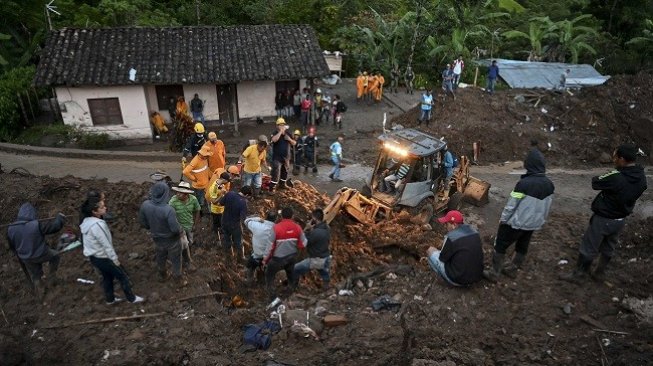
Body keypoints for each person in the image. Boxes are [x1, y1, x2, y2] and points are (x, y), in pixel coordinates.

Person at [561, 144, 647, 283]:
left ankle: (580, 274)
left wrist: (614, 174)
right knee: (609, 247)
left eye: (615, 157)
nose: (614, 159)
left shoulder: (616, 176)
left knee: (589, 246)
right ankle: (599, 272)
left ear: (622, 159)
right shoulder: (641, 177)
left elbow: (596, 182)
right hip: (620, 219)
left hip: (604, 218)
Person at [483, 145, 555, 282]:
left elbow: (511, 205)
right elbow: (547, 206)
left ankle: (494, 273)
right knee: (522, 245)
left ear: (529, 165)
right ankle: (513, 268)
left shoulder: (523, 184)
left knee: (500, 245)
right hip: (533, 224)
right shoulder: (550, 185)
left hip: (516, 223)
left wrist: (503, 220)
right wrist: (540, 221)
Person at [81, 198, 144, 304]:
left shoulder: (86, 223)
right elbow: (106, 244)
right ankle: (131, 298)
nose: (105, 208)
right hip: (104, 257)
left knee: (107, 277)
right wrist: (115, 260)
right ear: (94, 212)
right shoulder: (98, 226)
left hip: (94, 257)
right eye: (101, 207)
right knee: (122, 276)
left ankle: (110, 299)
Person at [7, 203, 65, 299]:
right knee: (55, 256)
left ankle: (40, 293)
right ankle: (52, 277)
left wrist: (19, 254)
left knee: (36, 275)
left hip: (26, 258)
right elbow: (54, 227)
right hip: (41, 253)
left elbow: (12, 246)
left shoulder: (11, 229)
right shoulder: (36, 225)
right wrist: (60, 218)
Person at [139, 182, 186, 286]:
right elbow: (175, 229)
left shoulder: (145, 205)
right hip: (172, 240)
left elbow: (143, 223)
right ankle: (178, 279)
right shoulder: (168, 210)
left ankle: (162, 275)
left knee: (160, 256)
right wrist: (181, 230)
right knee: (176, 259)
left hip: (157, 238)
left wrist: (153, 228)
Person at [426, 210, 483, 286]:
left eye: (447, 224)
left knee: (430, 250)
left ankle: (442, 277)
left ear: (454, 225)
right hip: (476, 277)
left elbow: (442, 259)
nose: (445, 226)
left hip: (458, 280)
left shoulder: (451, 237)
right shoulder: (474, 232)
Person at [263, 207, 306, 300]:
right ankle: (290, 293)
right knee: (292, 276)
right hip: (292, 258)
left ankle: (272, 296)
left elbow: (270, 246)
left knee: (269, 276)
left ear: (281, 216)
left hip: (277, 259)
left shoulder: (275, 228)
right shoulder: (297, 227)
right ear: (292, 216)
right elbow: (304, 243)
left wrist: (265, 259)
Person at [292, 208, 332, 290]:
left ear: (314, 219)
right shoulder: (327, 228)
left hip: (316, 259)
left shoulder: (316, 232)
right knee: (322, 269)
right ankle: (326, 282)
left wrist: (306, 229)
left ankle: (293, 286)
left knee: (295, 268)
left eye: (311, 218)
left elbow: (304, 241)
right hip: (326, 257)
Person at [169, 181, 200, 271]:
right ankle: (185, 260)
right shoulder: (173, 201)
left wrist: (195, 223)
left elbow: (197, 210)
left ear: (186, 194)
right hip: (179, 228)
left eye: (180, 193)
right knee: (181, 244)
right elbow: (169, 214)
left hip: (189, 225)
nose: (178, 194)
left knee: (190, 241)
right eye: (177, 192)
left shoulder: (193, 199)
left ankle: (188, 254)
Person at [218, 186, 252, 260]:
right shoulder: (243, 202)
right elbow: (243, 218)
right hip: (234, 225)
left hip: (224, 220)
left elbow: (220, 203)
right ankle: (242, 257)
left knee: (226, 238)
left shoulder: (230, 193)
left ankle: (229, 255)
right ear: (246, 195)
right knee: (238, 241)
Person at [244, 211, 277, 284]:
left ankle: (249, 281)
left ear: (266, 216)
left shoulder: (257, 226)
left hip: (257, 255)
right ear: (276, 219)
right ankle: (265, 281)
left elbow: (246, 221)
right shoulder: (277, 230)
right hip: (269, 258)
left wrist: (258, 219)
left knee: (250, 266)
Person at [269, 117, 296, 193]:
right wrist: (280, 132)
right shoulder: (274, 133)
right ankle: (272, 188)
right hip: (277, 157)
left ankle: (282, 184)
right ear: (277, 126)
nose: (282, 126)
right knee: (276, 173)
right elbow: (274, 140)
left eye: (283, 125)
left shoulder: (288, 133)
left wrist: (289, 139)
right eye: (280, 125)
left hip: (286, 158)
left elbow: (294, 143)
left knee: (285, 172)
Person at [183, 144, 213, 211]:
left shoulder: (204, 159)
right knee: (200, 201)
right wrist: (194, 179)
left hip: (205, 184)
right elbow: (185, 172)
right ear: (202, 154)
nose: (207, 157)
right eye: (206, 156)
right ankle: (199, 212)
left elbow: (206, 168)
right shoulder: (195, 161)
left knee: (204, 198)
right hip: (199, 186)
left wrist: (211, 176)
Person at [207, 172, 232, 245]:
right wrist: (222, 195)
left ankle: (222, 236)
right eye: (228, 180)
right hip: (216, 211)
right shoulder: (214, 188)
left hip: (221, 209)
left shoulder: (221, 184)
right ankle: (218, 239)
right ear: (224, 179)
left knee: (222, 224)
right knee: (217, 225)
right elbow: (214, 201)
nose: (228, 182)